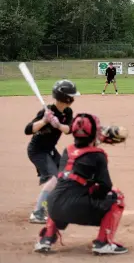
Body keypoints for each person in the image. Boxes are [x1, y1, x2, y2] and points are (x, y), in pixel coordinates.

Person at [34, 113, 129, 255]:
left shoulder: (67, 151)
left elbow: (80, 163)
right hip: (75, 208)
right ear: (94, 134)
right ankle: (103, 243)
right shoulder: (98, 155)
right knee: (117, 197)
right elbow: (105, 186)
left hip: (53, 207)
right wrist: (93, 193)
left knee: (63, 192)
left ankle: (46, 239)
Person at [25, 80, 80, 224]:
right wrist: (44, 121)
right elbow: (28, 129)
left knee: (65, 175)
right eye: (71, 97)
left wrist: (58, 124)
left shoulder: (67, 112)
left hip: (50, 150)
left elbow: (69, 129)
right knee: (52, 179)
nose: (73, 100)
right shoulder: (46, 111)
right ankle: (37, 213)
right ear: (65, 98)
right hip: (38, 151)